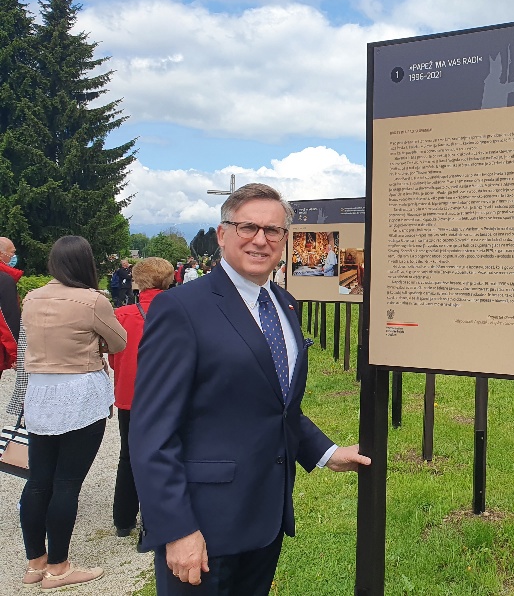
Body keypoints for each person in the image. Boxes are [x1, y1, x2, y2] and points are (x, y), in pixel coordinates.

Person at [130, 183, 370, 595]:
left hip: (265, 517)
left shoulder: (284, 304)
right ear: (222, 234)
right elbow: (151, 430)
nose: (261, 239)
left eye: (273, 230)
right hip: (203, 525)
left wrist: (327, 453)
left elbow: (276, 404)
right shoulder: (182, 308)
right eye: (248, 227)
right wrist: (176, 528)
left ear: (284, 240)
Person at [19, 236, 128, 589]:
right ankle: (59, 566)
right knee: (67, 482)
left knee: (38, 480)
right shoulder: (92, 300)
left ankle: (35, 561)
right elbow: (119, 342)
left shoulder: (31, 298)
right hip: (79, 389)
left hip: (40, 389)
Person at [109, 256, 175, 543]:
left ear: (137, 281)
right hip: (166, 396)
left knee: (127, 455)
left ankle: (123, 519)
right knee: (164, 455)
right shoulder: (178, 312)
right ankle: (154, 520)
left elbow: (114, 357)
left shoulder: (122, 315)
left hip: (130, 394)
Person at [0, 236, 22, 343]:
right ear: (1, 254)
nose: (14, 256)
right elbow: (10, 320)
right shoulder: (5, 280)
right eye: (12, 252)